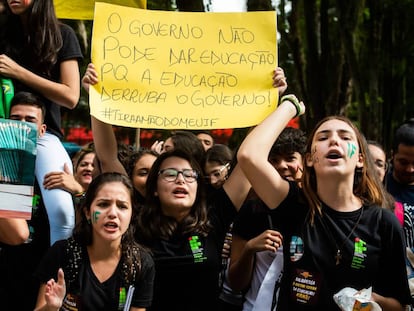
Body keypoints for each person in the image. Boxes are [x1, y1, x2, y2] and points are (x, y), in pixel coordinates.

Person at [237, 94, 411, 310]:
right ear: (309, 158)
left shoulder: (384, 222)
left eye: (345, 137)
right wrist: (290, 106)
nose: (335, 140)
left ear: (360, 159)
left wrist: (371, 302)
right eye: (323, 137)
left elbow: (400, 305)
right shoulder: (294, 205)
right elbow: (248, 156)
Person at [0, 0, 83, 244]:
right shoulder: (3, 33)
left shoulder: (63, 35)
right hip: (7, 137)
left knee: (61, 212)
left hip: (43, 136)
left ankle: (58, 276)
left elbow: (71, 96)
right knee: (16, 231)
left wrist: (18, 72)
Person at [34, 172, 155, 311]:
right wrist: (51, 307)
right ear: (87, 212)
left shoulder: (140, 263)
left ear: (131, 214)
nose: (113, 213)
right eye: (103, 204)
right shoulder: (63, 253)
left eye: (122, 206)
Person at [229, 127, 306, 311]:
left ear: (306, 161)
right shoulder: (252, 211)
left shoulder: (318, 208)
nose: (281, 166)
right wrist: (249, 249)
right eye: (273, 160)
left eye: (290, 158)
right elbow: (236, 283)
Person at [0, 91, 51, 311]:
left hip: (35, 282)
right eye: (15, 120)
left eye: (30, 121)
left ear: (42, 130)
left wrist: (77, 189)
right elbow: (17, 234)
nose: (22, 126)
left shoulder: (53, 173)